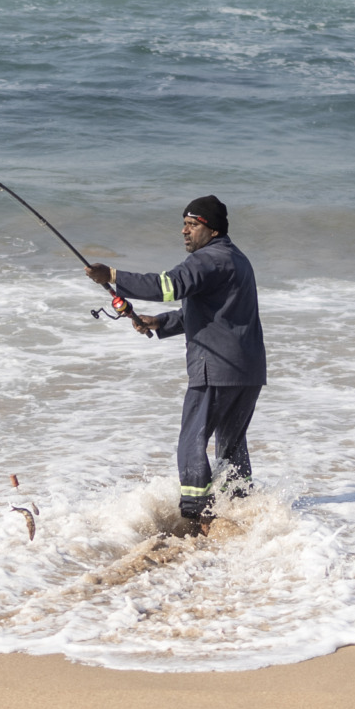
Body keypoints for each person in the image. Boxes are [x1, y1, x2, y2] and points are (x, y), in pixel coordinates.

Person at [86, 195, 266, 534]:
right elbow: (212, 314)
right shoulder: (235, 258)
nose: (184, 231)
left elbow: (167, 285)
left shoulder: (208, 259)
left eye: (192, 225)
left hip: (216, 366)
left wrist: (112, 274)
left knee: (192, 440)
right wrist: (160, 324)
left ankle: (198, 517)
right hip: (248, 369)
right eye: (184, 224)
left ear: (211, 229)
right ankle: (240, 510)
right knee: (231, 443)